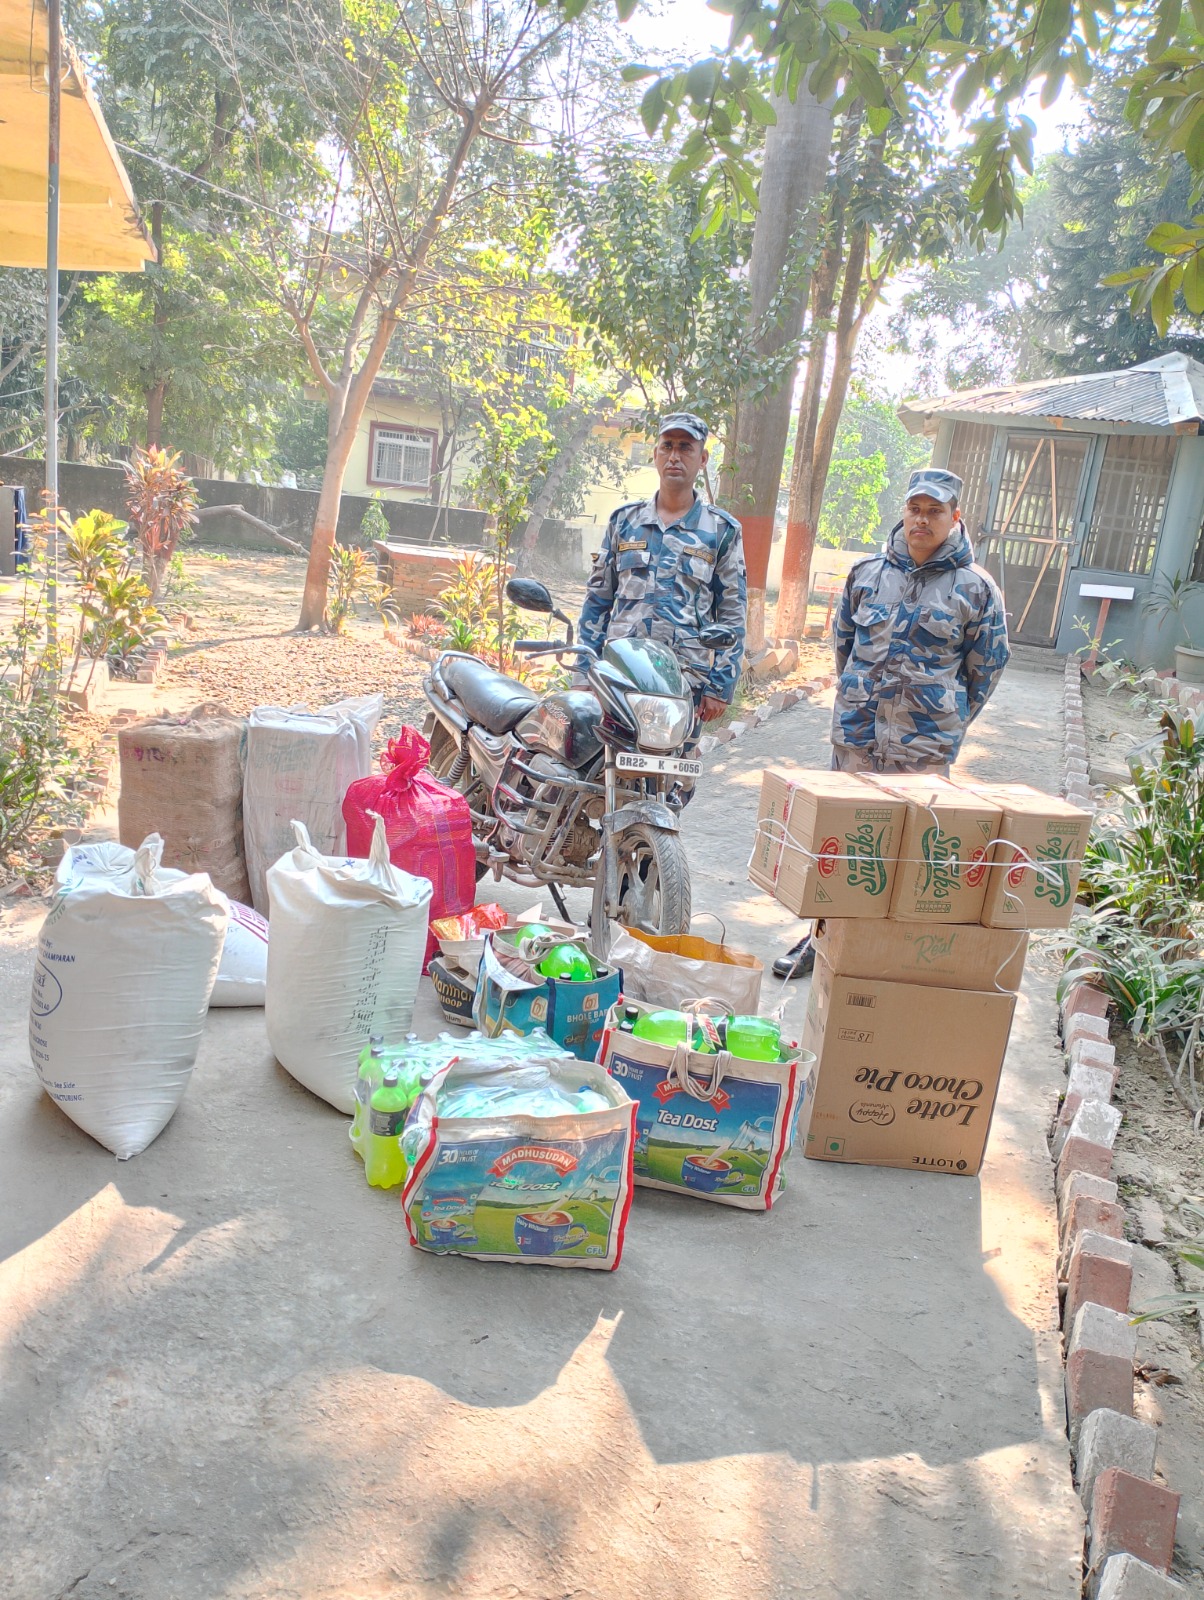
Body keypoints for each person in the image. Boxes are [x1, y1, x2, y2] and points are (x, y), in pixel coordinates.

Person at [773, 466, 1009, 979]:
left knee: (913, 853)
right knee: (838, 844)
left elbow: (986, 666)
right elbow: (844, 649)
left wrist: (946, 720)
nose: (922, 519)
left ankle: (893, 950)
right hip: (857, 737)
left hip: (923, 748)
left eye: (935, 510)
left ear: (955, 516)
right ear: (904, 511)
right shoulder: (867, 575)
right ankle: (821, 938)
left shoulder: (976, 588)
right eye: (915, 508)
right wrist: (860, 701)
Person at [578, 412, 747, 742]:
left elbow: (732, 616)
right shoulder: (624, 522)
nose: (674, 456)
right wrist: (585, 674)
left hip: (685, 682)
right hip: (619, 677)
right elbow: (596, 604)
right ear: (655, 453)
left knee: (673, 785)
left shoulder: (722, 531)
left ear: (702, 459)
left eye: (685, 447)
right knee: (606, 775)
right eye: (667, 446)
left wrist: (720, 685)